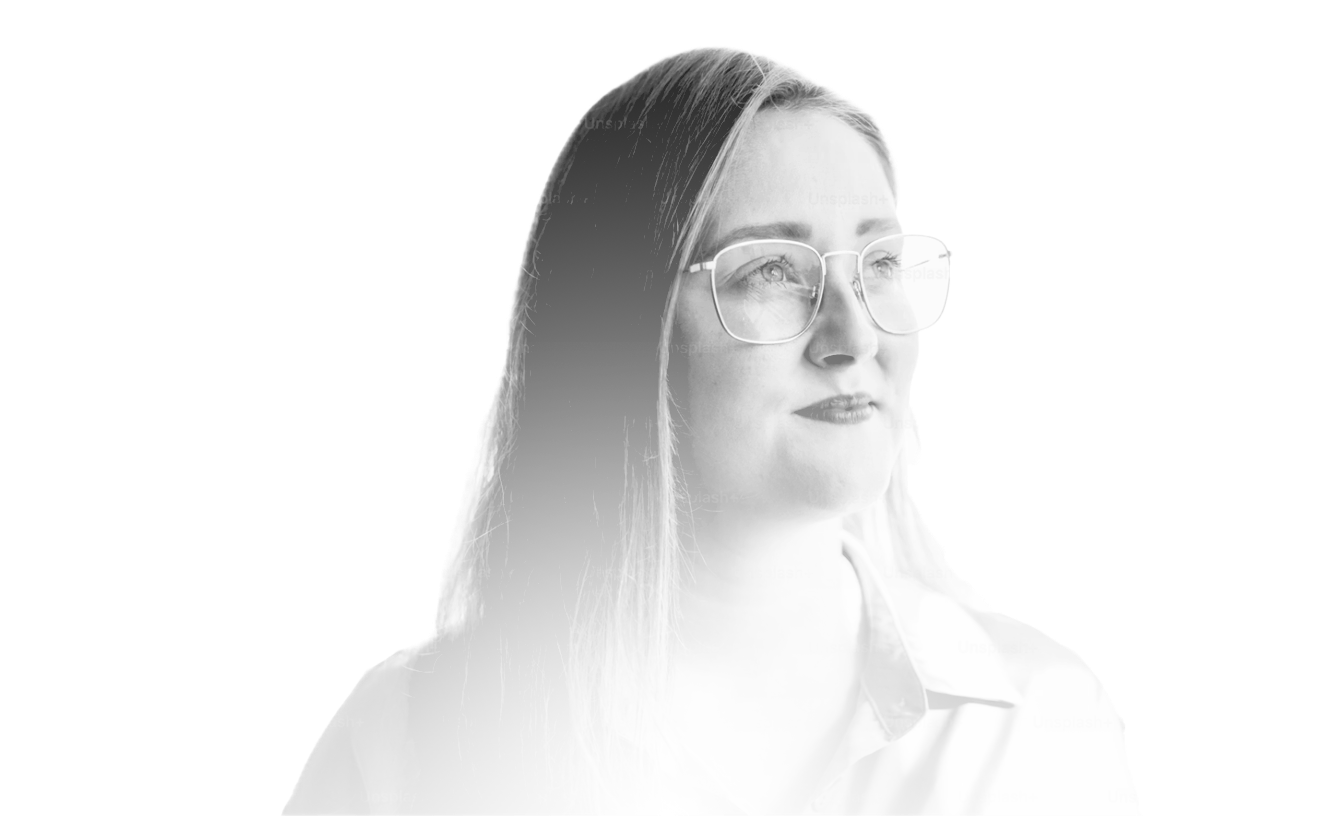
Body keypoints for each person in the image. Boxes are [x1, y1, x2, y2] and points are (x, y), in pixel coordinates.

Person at [279, 45, 1149, 815]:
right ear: (618, 325)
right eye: (772, 270)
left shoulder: (1050, 730)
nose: (854, 338)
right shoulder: (405, 747)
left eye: (881, 262)